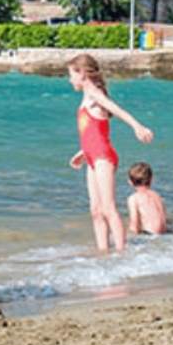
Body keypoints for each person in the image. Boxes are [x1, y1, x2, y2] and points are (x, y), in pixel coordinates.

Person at [67, 53, 154, 253]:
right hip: (91, 156)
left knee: (108, 208)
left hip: (103, 157)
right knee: (96, 211)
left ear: (82, 74)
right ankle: (103, 252)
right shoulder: (85, 96)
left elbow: (118, 110)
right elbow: (95, 130)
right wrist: (82, 152)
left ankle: (121, 252)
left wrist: (138, 127)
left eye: (72, 74)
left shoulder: (95, 94)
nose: (70, 79)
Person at [125, 162, 167, 236]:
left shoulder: (134, 198)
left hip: (148, 234)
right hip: (164, 233)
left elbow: (134, 222)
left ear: (130, 182)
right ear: (152, 180)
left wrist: (132, 236)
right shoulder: (157, 196)